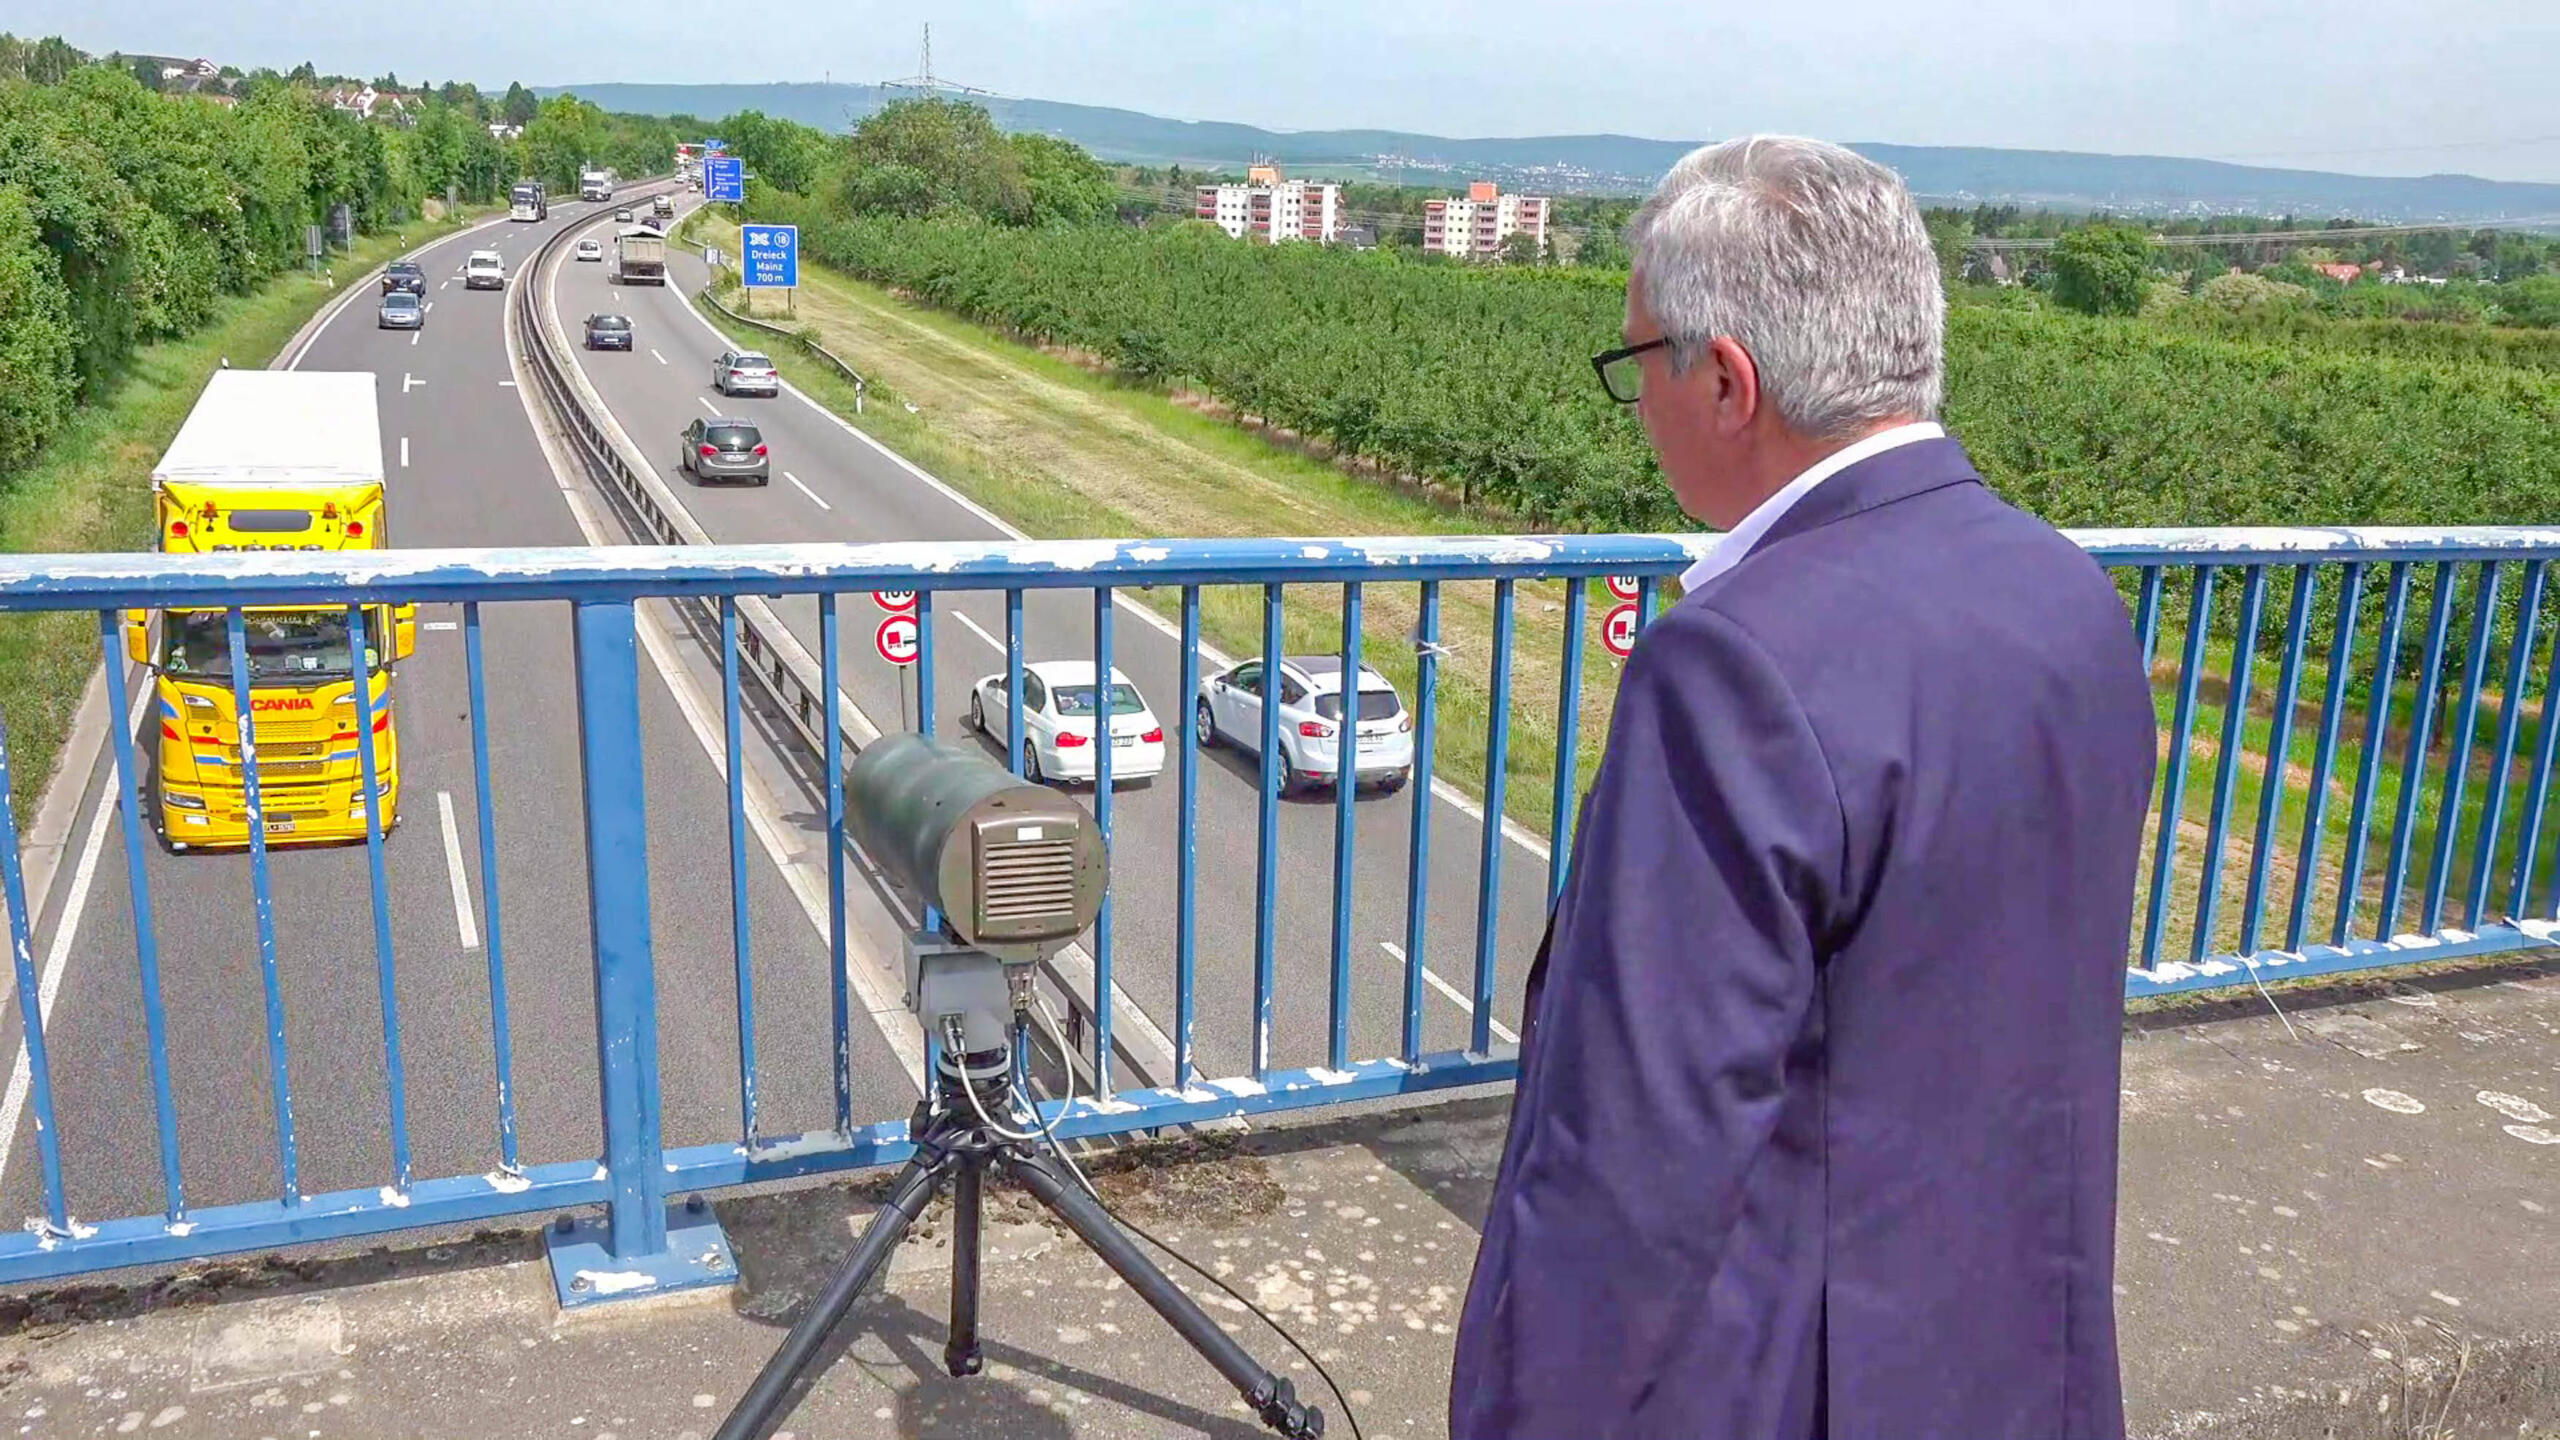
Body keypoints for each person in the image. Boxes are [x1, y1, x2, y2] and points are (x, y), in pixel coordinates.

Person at [1450, 136, 2156, 1439]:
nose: (1640, 401)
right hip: (2021, 1370)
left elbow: (1636, 1169)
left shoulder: (1733, 668)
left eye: (1636, 364)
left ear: (1726, 382)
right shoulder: (2071, 599)